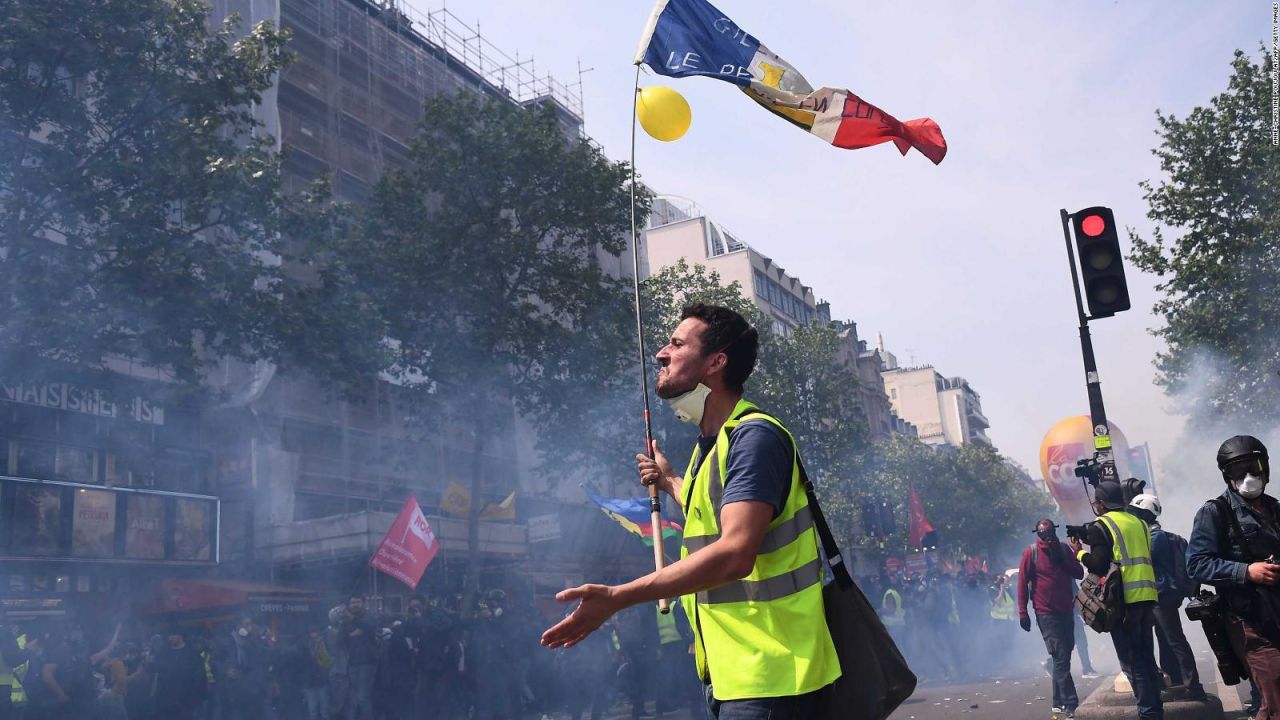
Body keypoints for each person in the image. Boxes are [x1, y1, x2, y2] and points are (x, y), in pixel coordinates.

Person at [542, 303, 840, 719]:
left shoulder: (754, 438)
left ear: (716, 362)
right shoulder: (714, 447)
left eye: (677, 344)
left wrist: (617, 597)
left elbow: (736, 552)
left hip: (772, 675)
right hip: (734, 675)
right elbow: (717, 513)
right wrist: (670, 483)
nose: (661, 353)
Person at [1187, 435, 1280, 718]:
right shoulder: (1215, 512)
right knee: (1275, 689)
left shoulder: (1275, 509)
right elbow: (1196, 565)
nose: (1249, 476)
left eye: (1254, 467)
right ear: (1227, 475)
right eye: (1239, 470)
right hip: (1251, 621)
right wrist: (1246, 571)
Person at [1067, 479, 1163, 720]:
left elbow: (1098, 564)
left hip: (1123, 602)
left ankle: (1149, 714)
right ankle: (1156, 710)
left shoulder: (1101, 525)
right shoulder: (1140, 522)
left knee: (1132, 662)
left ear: (1100, 503)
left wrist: (1078, 552)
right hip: (1147, 596)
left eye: (1096, 503)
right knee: (1146, 656)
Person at [1128, 493, 1206, 701]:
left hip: (1162, 596)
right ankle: (1176, 680)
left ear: (1145, 515)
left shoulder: (1156, 537)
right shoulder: (1147, 535)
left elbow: (1145, 559)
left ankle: (1193, 686)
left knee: (1174, 639)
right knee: (1163, 639)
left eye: (1136, 513)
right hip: (1154, 595)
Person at [1017, 519, 1084, 719]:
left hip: (1066, 610)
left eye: (1049, 532)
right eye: (1042, 533)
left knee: (1064, 654)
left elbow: (1079, 573)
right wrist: (1023, 612)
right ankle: (1071, 703)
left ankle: (1058, 701)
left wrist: (1070, 556)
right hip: (1045, 613)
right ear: (1037, 534)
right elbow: (1022, 583)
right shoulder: (1031, 553)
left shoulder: (1063, 550)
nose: (1046, 536)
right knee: (1061, 656)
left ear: (1054, 531)